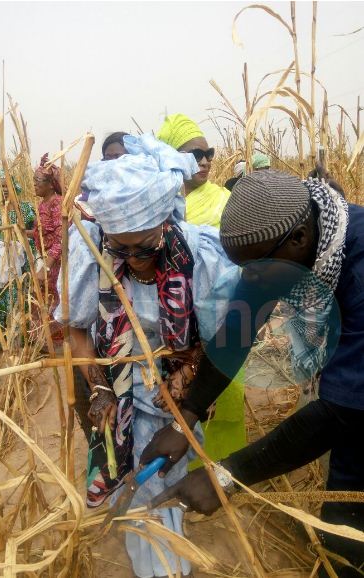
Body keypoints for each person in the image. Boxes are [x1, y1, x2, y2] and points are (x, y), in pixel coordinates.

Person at [141, 168, 364, 578]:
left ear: (298, 238)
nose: (252, 282)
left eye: (256, 271)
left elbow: (343, 411)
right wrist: (186, 416)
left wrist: (227, 477)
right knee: (344, 520)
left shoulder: (357, 263)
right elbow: (232, 340)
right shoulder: (276, 254)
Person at [54, 133, 239, 578]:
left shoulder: (198, 252)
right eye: (122, 249)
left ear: (163, 226)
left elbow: (224, 339)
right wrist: (98, 387)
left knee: (167, 480)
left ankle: (169, 561)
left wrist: (190, 370)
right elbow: (77, 327)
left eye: (145, 248)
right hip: (117, 396)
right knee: (137, 485)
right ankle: (159, 566)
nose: (134, 261)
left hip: (175, 397)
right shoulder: (92, 251)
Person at [158, 114, 246, 467]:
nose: (206, 160)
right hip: (176, 321)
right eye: (195, 154)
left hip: (221, 314)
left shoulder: (226, 200)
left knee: (225, 390)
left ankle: (224, 472)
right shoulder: (160, 204)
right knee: (179, 395)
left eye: (208, 152)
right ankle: (184, 469)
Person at [0, 169, 36, 332]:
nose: (3, 188)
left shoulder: (24, 208)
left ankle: (22, 335)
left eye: (6, 185)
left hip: (21, 260)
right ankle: (1, 336)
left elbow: (35, 231)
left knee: (21, 293)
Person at [32, 153, 63, 343]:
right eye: (34, 180)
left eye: (38, 181)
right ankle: (44, 341)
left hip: (57, 263)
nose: (34, 184)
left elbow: (61, 238)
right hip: (45, 259)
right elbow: (43, 233)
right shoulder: (42, 203)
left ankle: (57, 344)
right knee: (42, 300)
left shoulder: (57, 203)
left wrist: (47, 266)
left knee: (55, 300)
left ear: (51, 184)